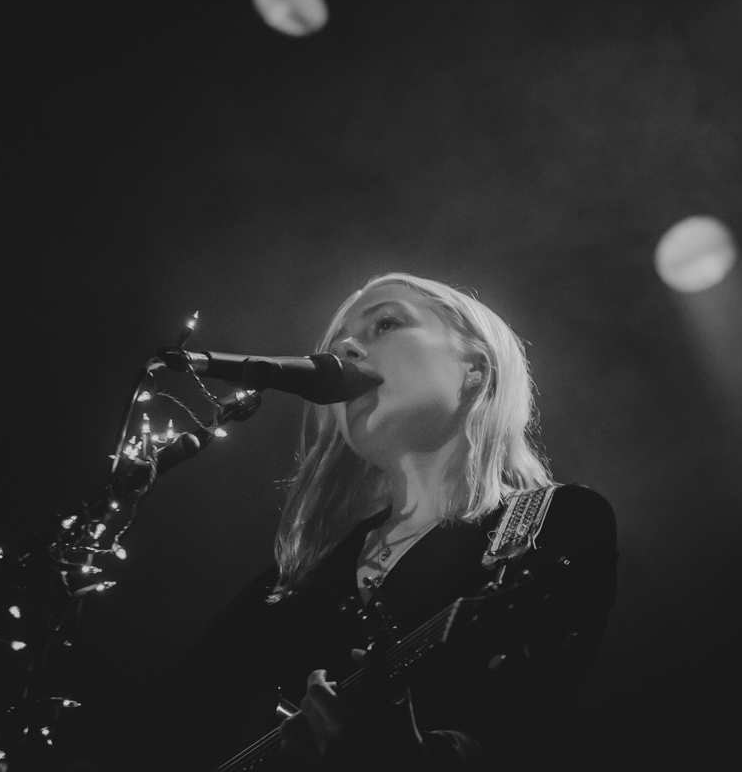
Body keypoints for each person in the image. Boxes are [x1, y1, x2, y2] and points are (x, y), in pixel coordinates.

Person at [158, 273, 617, 770]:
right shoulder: (293, 584)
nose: (346, 349)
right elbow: (166, 727)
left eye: (386, 324)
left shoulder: (553, 522)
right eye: (338, 345)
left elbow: (520, 731)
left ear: (475, 370)